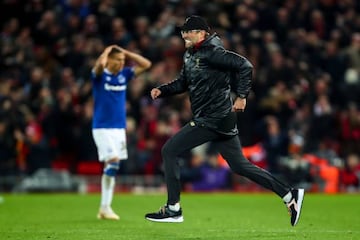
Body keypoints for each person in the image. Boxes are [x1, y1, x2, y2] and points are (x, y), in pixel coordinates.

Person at [145, 16, 304, 226]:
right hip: (219, 119)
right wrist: (162, 90)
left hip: (213, 117)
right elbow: (183, 83)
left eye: (187, 31)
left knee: (169, 150)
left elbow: (245, 65)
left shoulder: (213, 52)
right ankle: (288, 195)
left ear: (201, 32)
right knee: (240, 166)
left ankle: (173, 208)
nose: (183, 34)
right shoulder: (191, 55)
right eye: (182, 31)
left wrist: (242, 95)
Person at [91, 44, 151, 220]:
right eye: (117, 60)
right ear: (109, 60)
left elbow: (146, 64)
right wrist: (106, 52)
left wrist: (126, 53)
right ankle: (105, 207)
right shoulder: (100, 76)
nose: (121, 63)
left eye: (122, 61)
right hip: (102, 127)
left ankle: (104, 208)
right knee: (113, 162)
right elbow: (99, 66)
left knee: (111, 167)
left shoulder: (124, 75)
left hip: (119, 128)